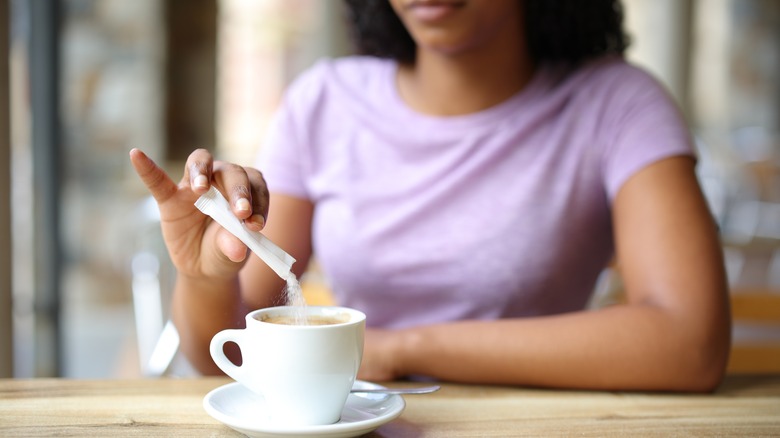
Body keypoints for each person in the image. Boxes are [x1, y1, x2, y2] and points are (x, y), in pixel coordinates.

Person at [129, 0, 731, 391]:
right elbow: (226, 355)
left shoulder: (617, 105)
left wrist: (402, 348)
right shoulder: (324, 103)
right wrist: (207, 276)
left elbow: (689, 341)